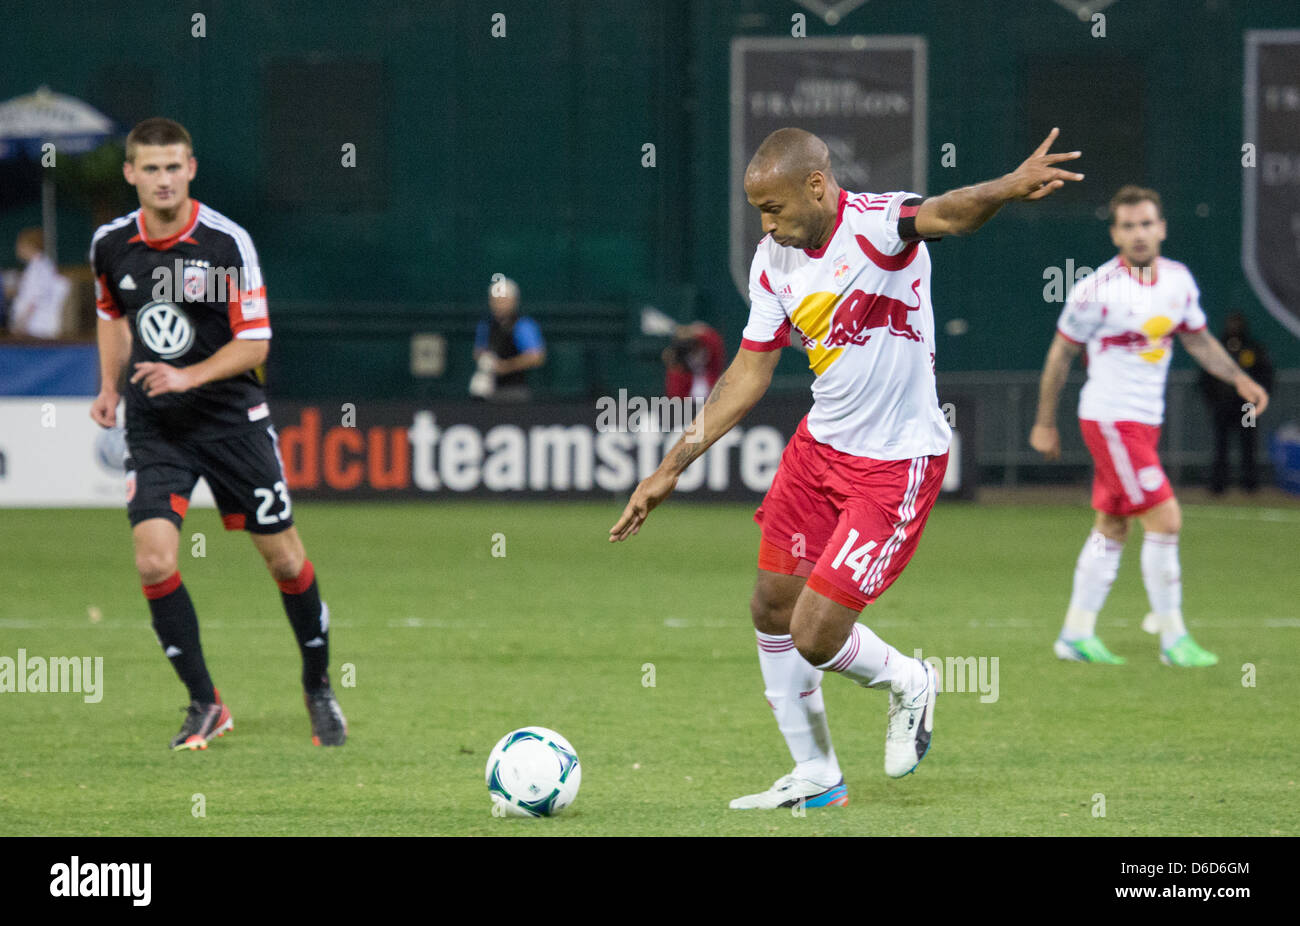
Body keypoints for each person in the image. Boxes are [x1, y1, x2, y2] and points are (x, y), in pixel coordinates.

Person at [610, 126, 1083, 808]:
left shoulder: (881, 225)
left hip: (895, 465)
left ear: (815, 184)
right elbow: (748, 371)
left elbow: (949, 211)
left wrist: (1007, 187)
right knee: (770, 607)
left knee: (814, 632)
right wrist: (671, 466)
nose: (766, 224)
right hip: (817, 452)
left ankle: (910, 681)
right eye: (757, 212)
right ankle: (818, 776)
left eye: (772, 208)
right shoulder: (773, 262)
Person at [89, 117, 346, 750]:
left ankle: (317, 685)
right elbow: (110, 315)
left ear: (191, 169)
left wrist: (189, 375)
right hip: (155, 426)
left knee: (284, 558)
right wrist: (105, 386)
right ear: (131, 174)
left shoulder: (226, 243)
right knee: (153, 560)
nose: (163, 179)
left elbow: (255, 340)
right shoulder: (110, 244)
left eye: (173, 166)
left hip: (232, 420)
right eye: (150, 168)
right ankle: (205, 703)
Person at [1030, 185, 1270, 668]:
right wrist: (1043, 423)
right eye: (1128, 226)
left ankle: (1075, 634)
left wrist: (1240, 377)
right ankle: (1174, 638)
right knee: (1166, 518)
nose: (1139, 233)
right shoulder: (1095, 290)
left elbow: (1199, 341)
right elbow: (1061, 354)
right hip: (1111, 418)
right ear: (1115, 233)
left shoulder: (1178, 281)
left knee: (1112, 525)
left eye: (1146, 223)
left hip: (1144, 422)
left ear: (1161, 228)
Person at [1199, 311, 1273, 494]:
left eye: (1237, 323)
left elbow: (1265, 374)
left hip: (1247, 407)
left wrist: (1258, 398)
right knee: (1221, 444)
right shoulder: (1219, 348)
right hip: (1223, 406)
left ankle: (1250, 485)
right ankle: (1218, 485)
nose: (1234, 327)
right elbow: (1205, 378)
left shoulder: (1252, 348)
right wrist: (1213, 400)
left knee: (1248, 444)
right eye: (1231, 323)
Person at [471, 276, 545, 401]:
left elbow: (536, 356)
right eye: (496, 300)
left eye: (503, 300)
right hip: (488, 389)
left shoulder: (523, 325)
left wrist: (505, 367)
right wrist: (486, 361)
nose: (499, 305)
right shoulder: (486, 325)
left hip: (514, 390)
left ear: (513, 301)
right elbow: (478, 351)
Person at [7, 227, 70, 339]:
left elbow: (35, 298)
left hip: (37, 326)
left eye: (20, 245)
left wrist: (22, 322)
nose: (18, 249)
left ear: (29, 245)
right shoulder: (36, 266)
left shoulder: (40, 268)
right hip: (34, 325)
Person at [662, 322, 724, 401]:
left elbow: (712, 339)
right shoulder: (680, 365)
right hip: (688, 402)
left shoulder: (709, 350)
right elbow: (675, 394)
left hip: (711, 397)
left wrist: (693, 332)